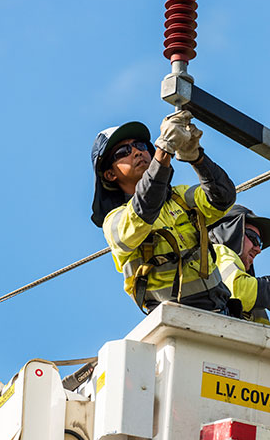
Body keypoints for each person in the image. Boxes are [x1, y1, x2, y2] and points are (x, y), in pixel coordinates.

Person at [90, 111, 236, 313]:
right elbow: (144, 208)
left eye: (140, 146)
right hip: (172, 321)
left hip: (221, 313)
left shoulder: (182, 197)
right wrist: (164, 149)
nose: (136, 152)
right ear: (110, 174)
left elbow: (223, 197)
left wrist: (197, 157)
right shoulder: (114, 222)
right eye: (123, 151)